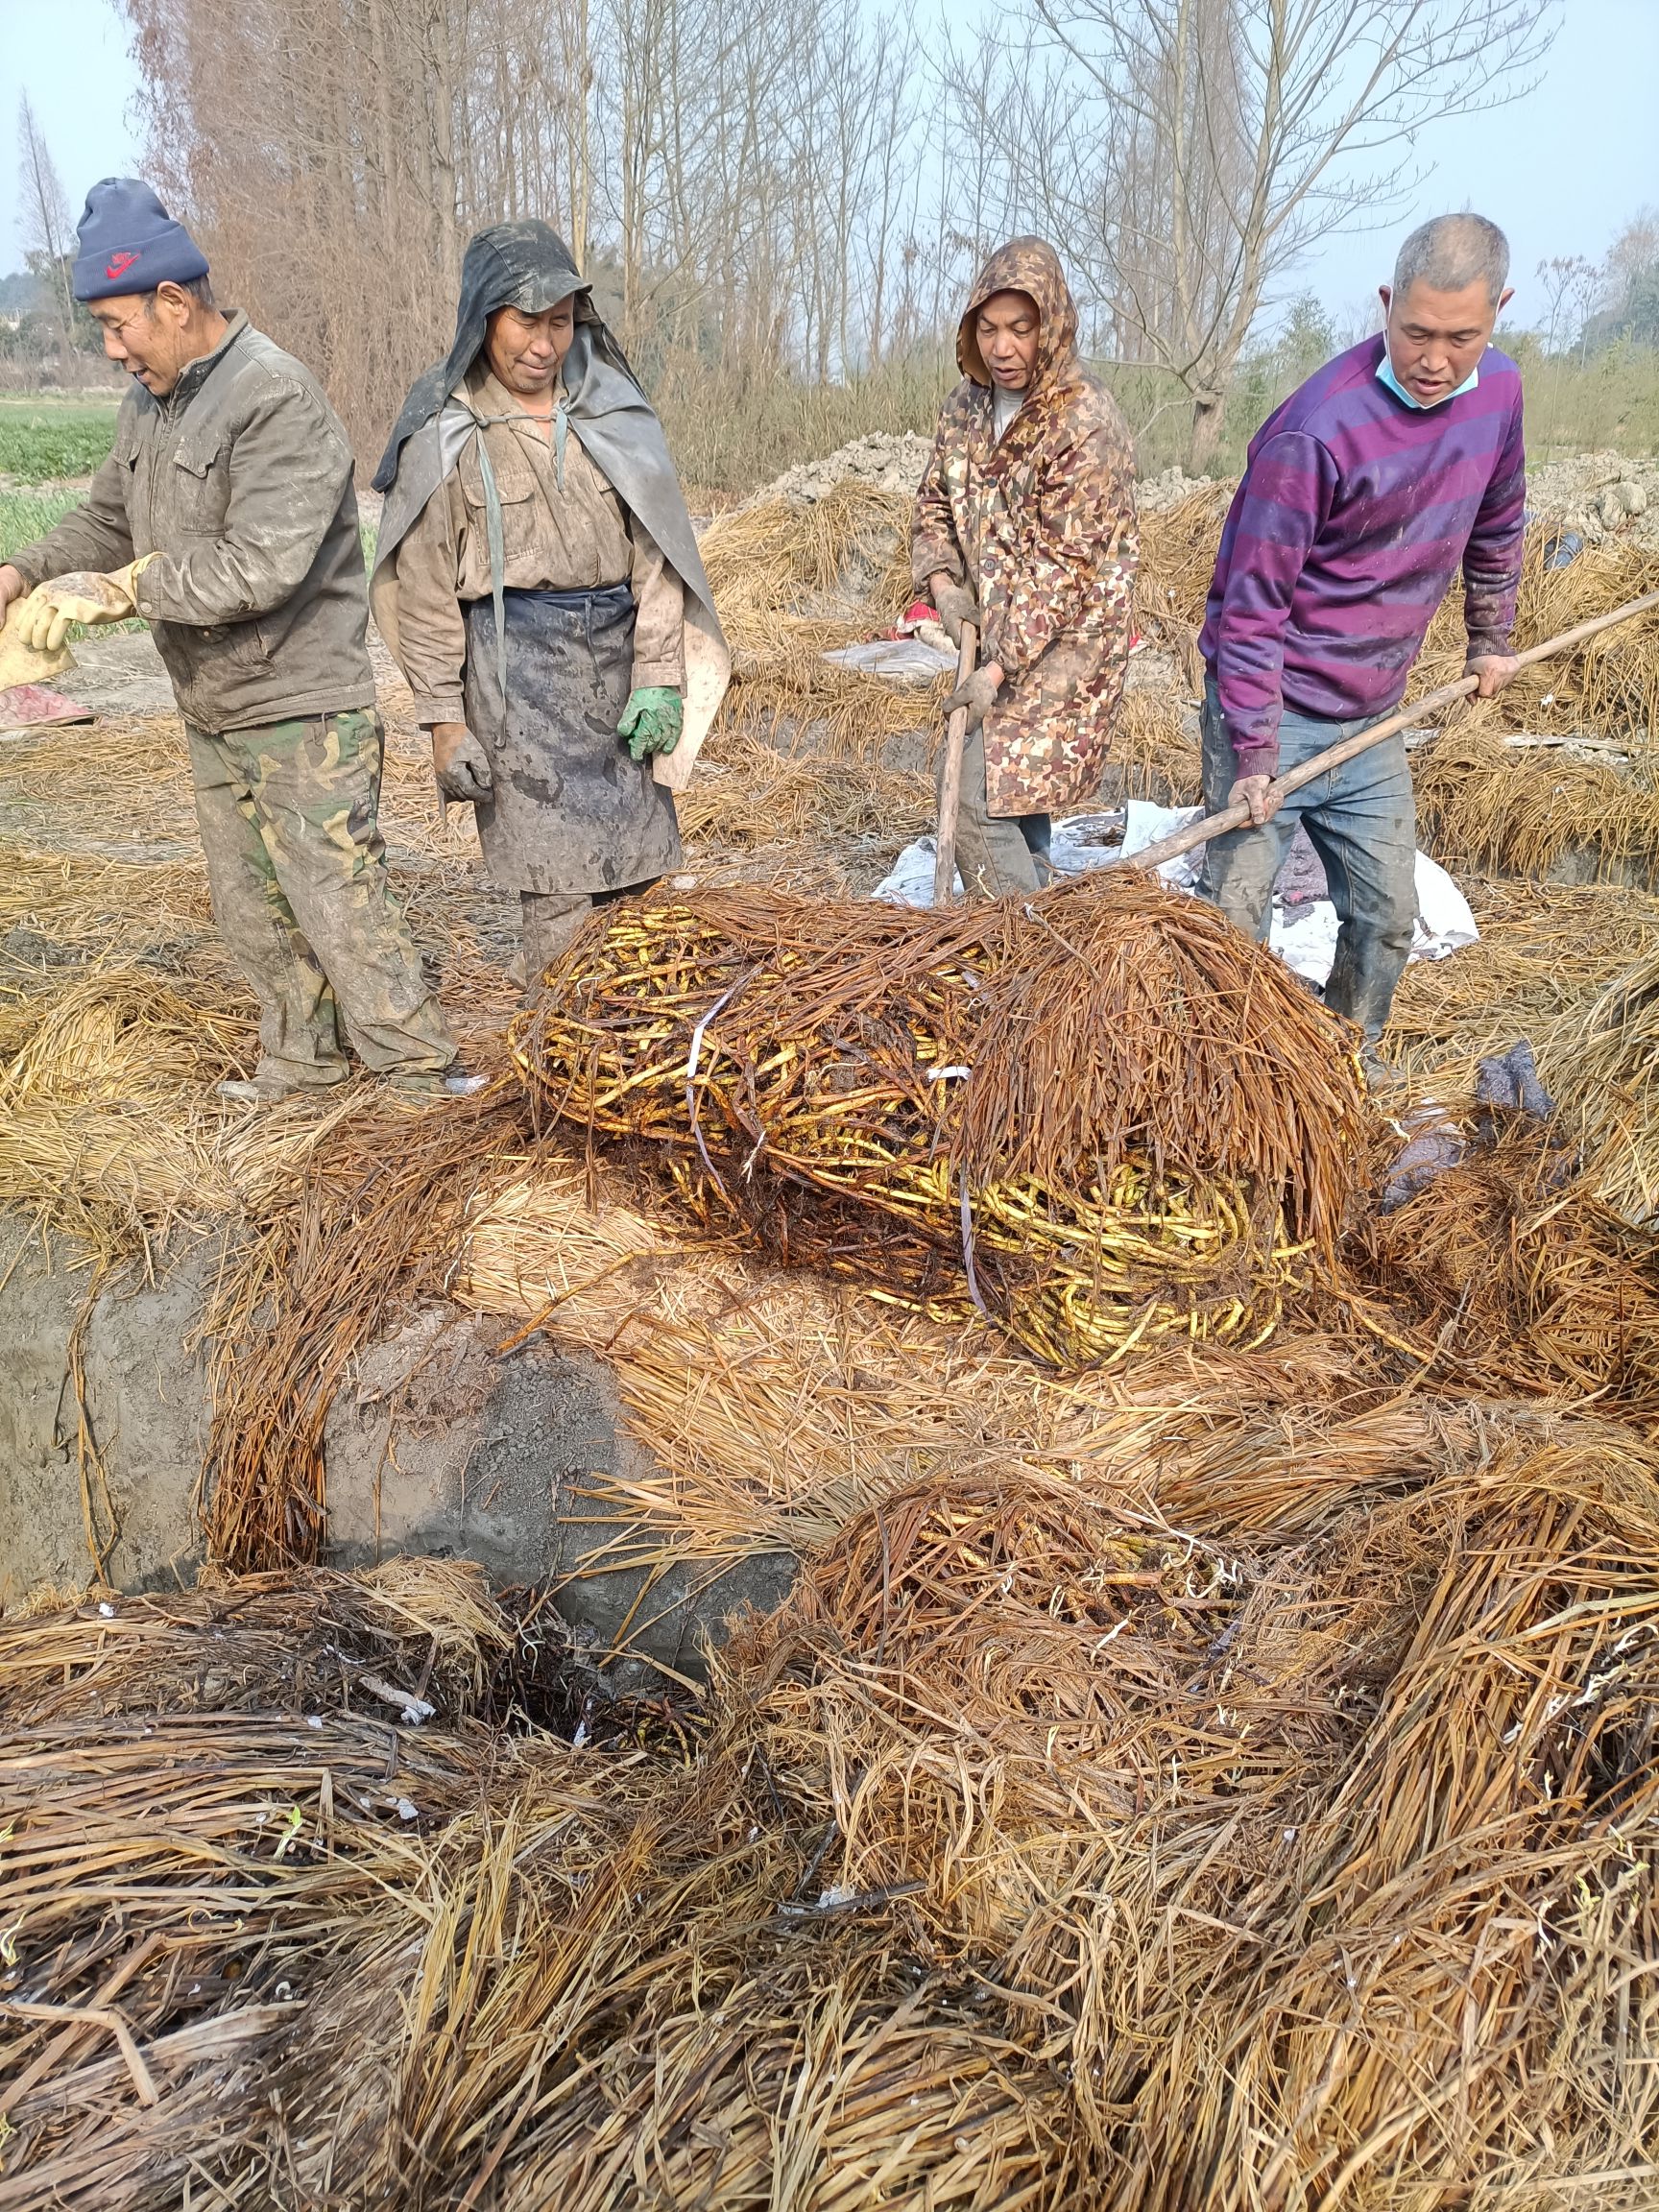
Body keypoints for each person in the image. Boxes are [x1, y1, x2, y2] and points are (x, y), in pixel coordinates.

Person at [0, 180, 468, 1105]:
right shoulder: (154, 403)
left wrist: (130, 590)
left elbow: (261, 567)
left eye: (116, 325)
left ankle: (419, 1079)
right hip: (214, 705)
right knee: (251, 904)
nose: (111, 349)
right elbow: (106, 522)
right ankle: (301, 1066)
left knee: (337, 895)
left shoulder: (275, 396)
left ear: (173, 302)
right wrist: (22, 572)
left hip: (300, 707)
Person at [371, 221, 729, 989]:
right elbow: (428, 590)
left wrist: (660, 675)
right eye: (525, 321)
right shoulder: (448, 432)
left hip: (618, 672)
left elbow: (658, 556)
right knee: (560, 913)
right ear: (483, 318)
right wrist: (442, 723)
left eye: (560, 323)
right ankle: (560, 1068)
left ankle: (642, 1063)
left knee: (642, 895)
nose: (543, 343)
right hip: (514, 687)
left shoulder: (613, 415)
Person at [1198, 212, 1525, 1052]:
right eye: (1416, 332)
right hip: (1277, 704)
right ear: (1386, 305)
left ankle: (1346, 1061)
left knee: (1386, 914)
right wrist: (1258, 754)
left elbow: (1498, 518)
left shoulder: (1499, 397)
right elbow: (1250, 606)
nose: (1435, 359)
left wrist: (1490, 637)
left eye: (1462, 337)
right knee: (1233, 923)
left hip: (1374, 715)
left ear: (1499, 313)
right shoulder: (1319, 428)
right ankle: (1221, 1074)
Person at [911, 236, 1138, 900]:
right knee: (1014, 794)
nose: (1002, 348)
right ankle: (1038, 905)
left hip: (1067, 646)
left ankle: (1022, 951)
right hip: (998, 629)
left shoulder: (1084, 422)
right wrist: (946, 588)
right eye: (987, 329)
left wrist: (995, 670)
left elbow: (1061, 572)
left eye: (1020, 329)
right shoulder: (966, 406)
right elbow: (933, 503)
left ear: (1053, 327)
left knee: (977, 797)